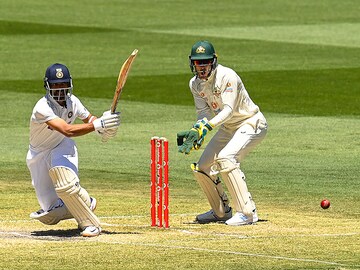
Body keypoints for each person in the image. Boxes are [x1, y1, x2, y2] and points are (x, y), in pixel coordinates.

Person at [177, 41, 268, 226]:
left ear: (213, 61)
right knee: (203, 166)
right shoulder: (195, 84)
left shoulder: (227, 76)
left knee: (226, 158)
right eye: (197, 63)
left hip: (250, 122)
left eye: (205, 62)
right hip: (228, 127)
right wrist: (198, 130)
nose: (201, 67)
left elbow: (228, 110)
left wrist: (207, 128)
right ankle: (221, 211)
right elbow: (203, 114)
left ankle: (247, 213)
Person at [26, 63, 120, 237]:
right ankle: (85, 201)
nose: (60, 89)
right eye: (55, 85)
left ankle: (89, 224)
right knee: (52, 213)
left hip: (62, 145)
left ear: (69, 85)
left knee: (65, 183)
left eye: (63, 85)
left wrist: (104, 123)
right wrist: (98, 125)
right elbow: (67, 129)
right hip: (38, 154)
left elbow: (89, 118)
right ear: (47, 86)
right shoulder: (42, 107)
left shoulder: (73, 101)